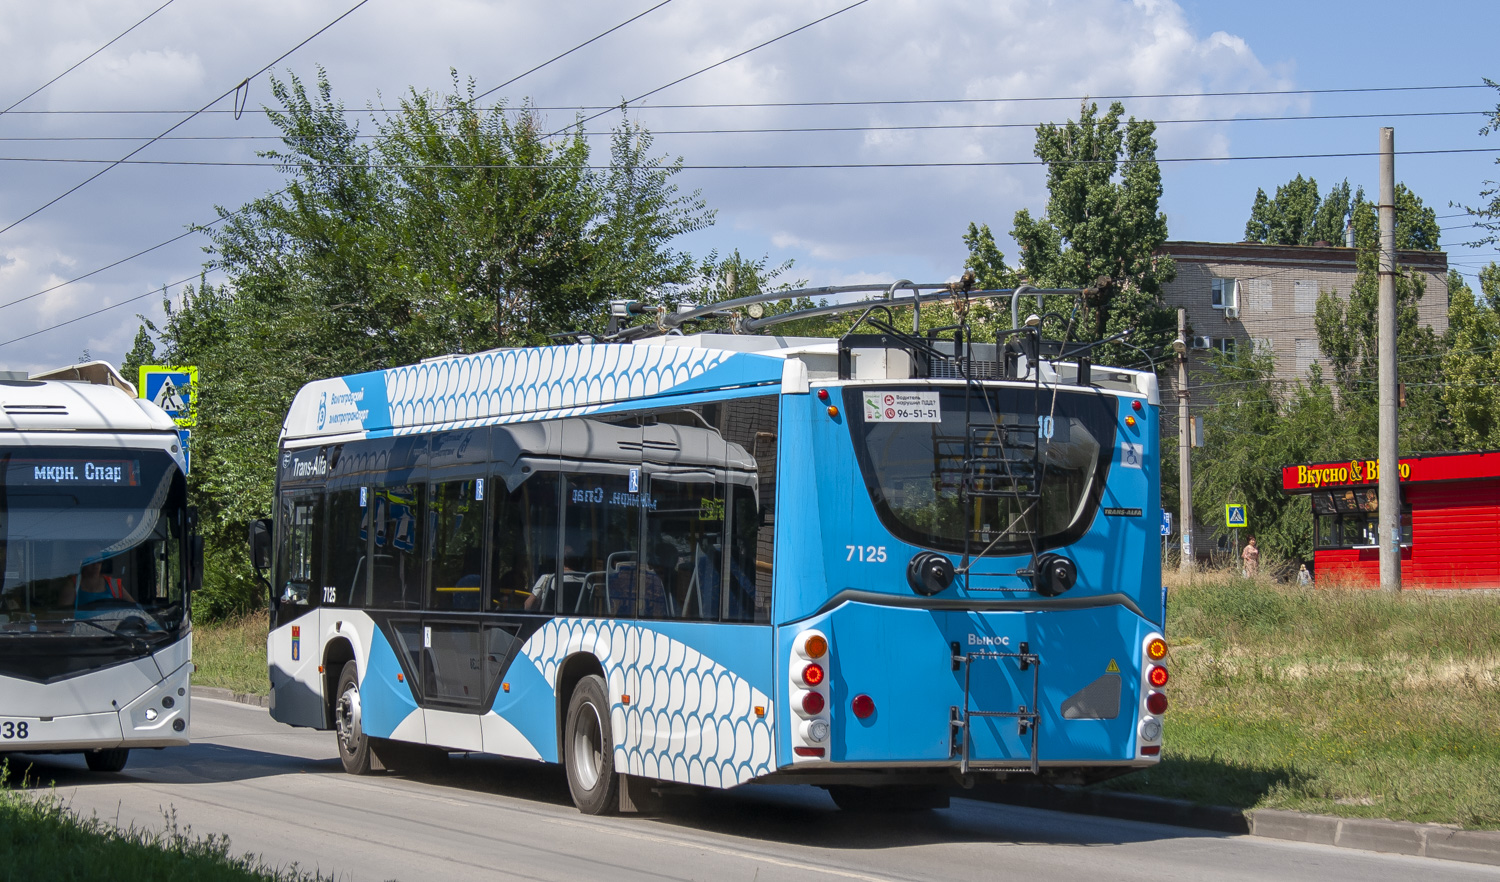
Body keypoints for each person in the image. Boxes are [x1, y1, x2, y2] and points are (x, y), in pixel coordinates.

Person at [61, 560, 134, 607]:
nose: (95, 564)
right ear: (83, 562)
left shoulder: (114, 584)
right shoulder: (73, 584)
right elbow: (64, 615)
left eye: (99, 561)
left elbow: (134, 608)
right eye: (92, 561)